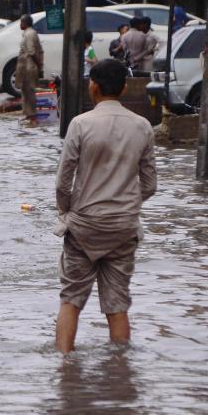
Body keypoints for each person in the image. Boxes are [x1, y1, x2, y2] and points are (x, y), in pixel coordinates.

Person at [54, 59, 156, 353]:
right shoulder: (143, 126)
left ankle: (64, 368)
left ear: (93, 87)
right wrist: (126, 204)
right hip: (124, 227)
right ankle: (120, 370)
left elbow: (63, 182)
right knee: (117, 303)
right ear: (124, 88)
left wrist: (67, 212)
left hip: (84, 224)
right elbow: (149, 185)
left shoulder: (80, 124)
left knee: (71, 300)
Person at [15, 14, 43, 118]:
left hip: (29, 67)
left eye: (21, 22)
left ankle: (32, 116)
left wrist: (39, 64)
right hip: (24, 66)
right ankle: (28, 115)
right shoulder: (27, 33)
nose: (20, 24)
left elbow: (32, 52)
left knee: (29, 91)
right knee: (25, 91)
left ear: (25, 23)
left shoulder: (30, 34)